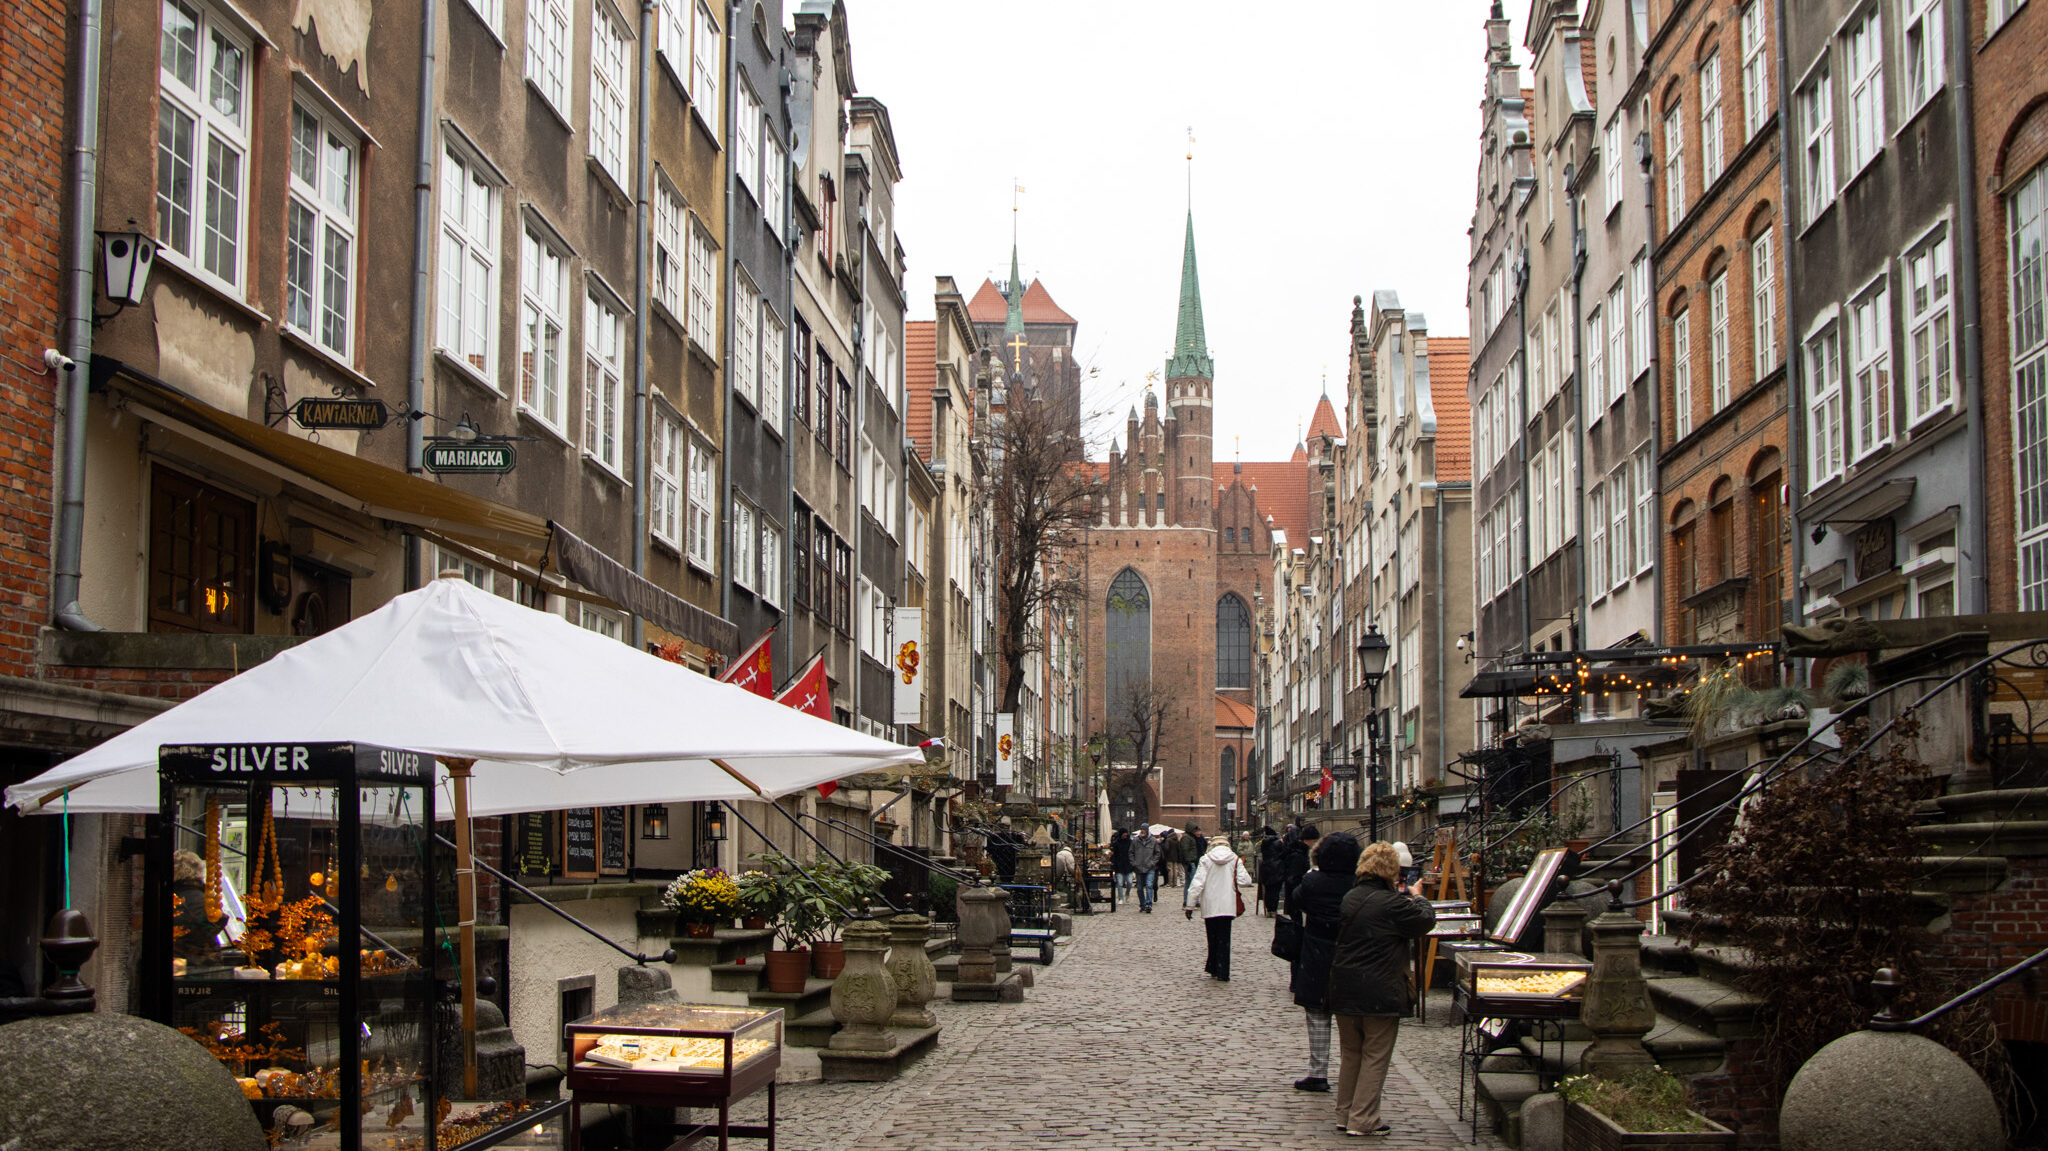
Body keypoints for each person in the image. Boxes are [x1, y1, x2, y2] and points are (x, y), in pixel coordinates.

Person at [1327, 841, 1436, 1138]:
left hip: (1345, 985)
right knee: (1375, 1054)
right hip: (1379, 989)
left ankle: (1345, 1112)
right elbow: (1424, 921)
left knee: (1351, 1053)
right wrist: (1419, 897)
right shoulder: (1393, 904)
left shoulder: (1352, 897)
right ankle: (1363, 1119)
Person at [1287, 832, 1360, 1093]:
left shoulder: (1313, 882)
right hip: (1351, 955)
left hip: (1318, 955)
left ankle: (1318, 1073)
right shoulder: (1358, 884)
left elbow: (1296, 899)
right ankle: (1354, 1072)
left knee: (1318, 1016)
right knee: (1351, 1018)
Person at [1184, 832, 1253, 979]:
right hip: (1227, 905)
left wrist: (1190, 905)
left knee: (1212, 937)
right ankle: (1223, 971)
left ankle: (1214, 967)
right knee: (1225, 939)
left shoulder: (1206, 859)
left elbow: (1197, 883)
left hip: (1210, 904)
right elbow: (1246, 880)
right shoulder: (1234, 859)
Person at [1280, 823, 1319, 917]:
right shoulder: (1298, 854)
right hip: (1296, 892)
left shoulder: (1299, 851)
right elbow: (1294, 877)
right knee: (1296, 920)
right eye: (1315, 841)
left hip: (1295, 892)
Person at [1129, 826, 1163, 912]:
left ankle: (1148, 904)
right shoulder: (1135, 841)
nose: (1142, 832)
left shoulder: (1153, 841)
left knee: (1149, 885)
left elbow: (1157, 853)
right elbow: (1131, 853)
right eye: (1141, 830)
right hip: (1139, 867)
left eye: (1144, 830)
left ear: (1147, 831)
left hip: (1150, 867)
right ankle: (1142, 904)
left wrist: (1152, 863)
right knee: (1140, 887)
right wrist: (1134, 863)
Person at [1257, 827, 1284, 915]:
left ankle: (1268, 909)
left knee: (1268, 890)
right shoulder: (1278, 843)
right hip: (1277, 868)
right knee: (1276, 890)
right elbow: (1283, 853)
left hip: (1266, 868)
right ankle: (1274, 909)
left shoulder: (1264, 843)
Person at [1178, 822, 1207, 899]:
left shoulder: (1194, 838)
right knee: (1193, 882)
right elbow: (1185, 850)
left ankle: (1187, 900)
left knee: (1189, 882)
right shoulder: (1187, 838)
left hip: (1192, 861)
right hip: (1190, 862)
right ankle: (1191, 900)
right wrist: (1188, 861)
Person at [1110, 828, 1133, 902]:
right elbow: (1114, 855)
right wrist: (1114, 864)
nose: (1125, 835)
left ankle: (1127, 893)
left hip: (1128, 865)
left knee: (1129, 882)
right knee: (1119, 883)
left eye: (1126, 833)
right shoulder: (1116, 843)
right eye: (1124, 833)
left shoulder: (1130, 842)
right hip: (1119, 865)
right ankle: (1120, 898)